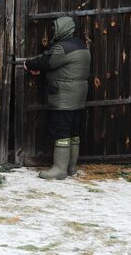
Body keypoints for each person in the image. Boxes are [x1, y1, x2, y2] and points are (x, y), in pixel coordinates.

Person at [24, 16, 91, 180]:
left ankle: (59, 169)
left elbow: (46, 62)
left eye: (55, 28)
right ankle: (71, 168)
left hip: (64, 97)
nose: (53, 31)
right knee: (73, 131)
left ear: (63, 28)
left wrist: (29, 64)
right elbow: (64, 67)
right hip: (78, 96)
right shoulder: (81, 45)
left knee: (61, 131)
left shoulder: (62, 48)